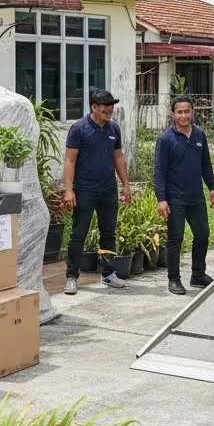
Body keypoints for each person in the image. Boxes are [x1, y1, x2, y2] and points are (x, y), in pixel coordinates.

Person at [63, 89, 134, 295]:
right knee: (78, 234)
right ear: (94, 107)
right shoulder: (79, 129)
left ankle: (108, 273)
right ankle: (72, 276)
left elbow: (118, 158)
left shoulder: (114, 129)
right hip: (85, 190)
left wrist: (126, 185)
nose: (110, 111)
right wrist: (69, 190)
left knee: (108, 233)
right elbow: (70, 160)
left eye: (111, 108)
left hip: (108, 190)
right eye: (105, 108)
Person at [153, 94, 214, 296]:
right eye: (179, 112)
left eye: (187, 111)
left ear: (193, 112)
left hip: (196, 196)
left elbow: (205, 164)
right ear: (173, 114)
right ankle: (174, 279)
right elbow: (159, 172)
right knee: (176, 238)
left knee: (202, 234)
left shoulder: (199, 135)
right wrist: (161, 199)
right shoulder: (166, 139)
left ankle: (198, 274)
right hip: (175, 198)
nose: (184, 115)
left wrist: (212, 187)